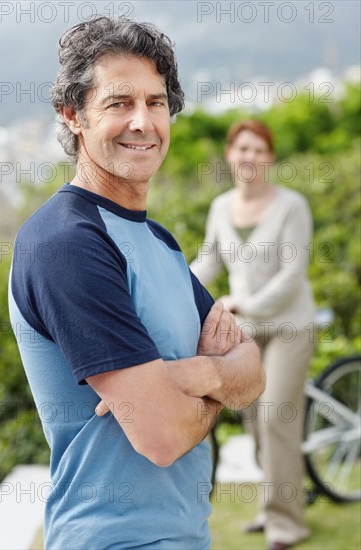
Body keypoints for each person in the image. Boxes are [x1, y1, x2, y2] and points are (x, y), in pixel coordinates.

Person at [8, 17, 265, 550]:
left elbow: (253, 372)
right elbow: (164, 437)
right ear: (72, 115)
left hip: (186, 535)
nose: (143, 122)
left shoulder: (160, 242)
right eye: (119, 103)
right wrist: (218, 383)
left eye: (156, 102)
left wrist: (190, 373)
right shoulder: (66, 244)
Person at [191, 120, 316, 550]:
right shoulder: (221, 208)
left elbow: (292, 276)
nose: (250, 157)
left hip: (289, 327)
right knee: (256, 427)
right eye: (243, 148)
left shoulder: (291, 206)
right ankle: (272, 505)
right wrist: (172, 291)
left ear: (270, 158)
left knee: (275, 415)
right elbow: (207, 264)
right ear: (230, 154)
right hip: (246, 335)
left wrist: (243, 305)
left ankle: (287, 524)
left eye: (259, 150)